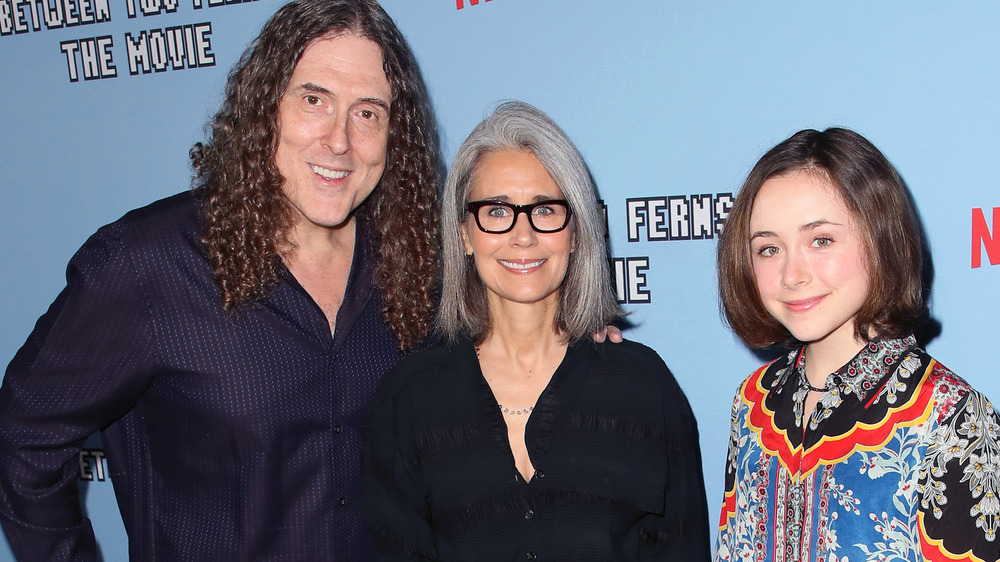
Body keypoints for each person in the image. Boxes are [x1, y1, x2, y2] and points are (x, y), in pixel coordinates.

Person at [0, 0, 440, 559]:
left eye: (368, 113)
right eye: (314, 101)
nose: (339, 140)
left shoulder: (415, 265)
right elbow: (24, 436)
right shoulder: (148, 265)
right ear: (264, 109)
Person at [362, 101, 711, 560]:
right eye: (496, 211)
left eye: (545, 210)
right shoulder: (409, 400)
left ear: (576, 230)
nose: (522, 235)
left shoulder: (644, 388)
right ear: (465, 233)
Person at [713, 128, 1000, 561]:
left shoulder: (949, 415)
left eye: (821, 240)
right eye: (769, 249)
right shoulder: (752, 402)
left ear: (881, 238)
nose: (793, 274)